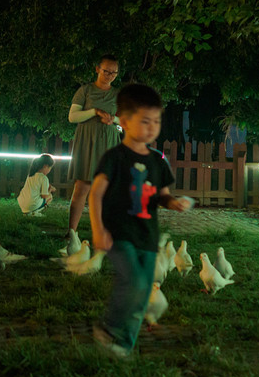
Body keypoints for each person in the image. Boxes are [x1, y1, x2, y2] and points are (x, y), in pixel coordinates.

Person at [88, 84, 189, 358]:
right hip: (119, 234)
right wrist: (98, 230)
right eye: (145, 121)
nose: (151, 127)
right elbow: (95, 194)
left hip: (147, 236)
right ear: (125, 121)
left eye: (156, 121)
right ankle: (110, 327)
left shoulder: (158, 161)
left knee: (144, 291)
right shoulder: (115, 158)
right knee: (132, 281)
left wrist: (174, 203)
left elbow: (162, 196)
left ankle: (124, 344)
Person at [67, 54, 121, 235]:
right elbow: (73, 116)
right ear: (97, 69)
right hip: (87, 142)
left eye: (114, 73)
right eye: (107, 71)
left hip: (109, 142)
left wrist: (114, 120)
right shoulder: (85, 91)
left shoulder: (117, 94)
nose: (110, 75)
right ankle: (72, 233)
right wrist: (94, 112)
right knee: (82, 187)